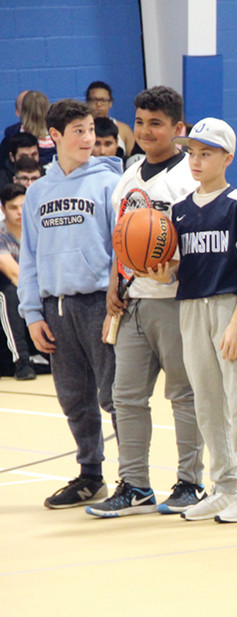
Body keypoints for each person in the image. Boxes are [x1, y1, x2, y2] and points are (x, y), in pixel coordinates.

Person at [137, 118, 237, 523]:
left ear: (227, 158)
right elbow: (175, 267)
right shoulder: (177, 211)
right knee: (208, 402)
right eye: (192, 153)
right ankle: (226, 485)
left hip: (229, 305)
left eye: (206, 153)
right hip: (190, 308)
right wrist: (158, 272)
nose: (196, 161)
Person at [89, 86, 207, 518]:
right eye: (139, 122)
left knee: (183, 394)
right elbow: (122, 239)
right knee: (126, 397)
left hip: (175, 301)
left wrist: (174, 267)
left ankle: (191, 482)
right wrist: (112, 285)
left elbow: (196, 242)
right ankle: (135, 484)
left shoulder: (186, 178)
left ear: (178, 129)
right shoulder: (129, 173)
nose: (144, 130)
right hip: (132, 301)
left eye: (155, 123)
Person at [18, 99, 121, 508]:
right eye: (78, 131)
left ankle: (132, 477)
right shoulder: (39, 192)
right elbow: (29, 257)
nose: (88, 139)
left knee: (114, 395)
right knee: (74, 398)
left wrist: (117, 300)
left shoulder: (110, 182)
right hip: (55, 308)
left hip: (100, 301)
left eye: (91, 130)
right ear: (54, 136)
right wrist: (30, 314)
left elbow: (120, 248)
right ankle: (90, 476)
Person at [0, 183, 35, 380]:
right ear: (2, 209)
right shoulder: (1, 234)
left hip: (30, 286)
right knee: (9, 296)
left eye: (23, 206)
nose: (20, 212)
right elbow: (14, 274)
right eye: (13, 208)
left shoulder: (37, 231)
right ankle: (21, 361)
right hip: (8, 287)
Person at [85, 81, 136, 156]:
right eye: (94, 100)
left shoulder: (124, 130)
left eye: (103, 100)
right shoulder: (81, 130)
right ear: (87, 102)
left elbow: (133, 159)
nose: (99, 104)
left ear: (110, 103)